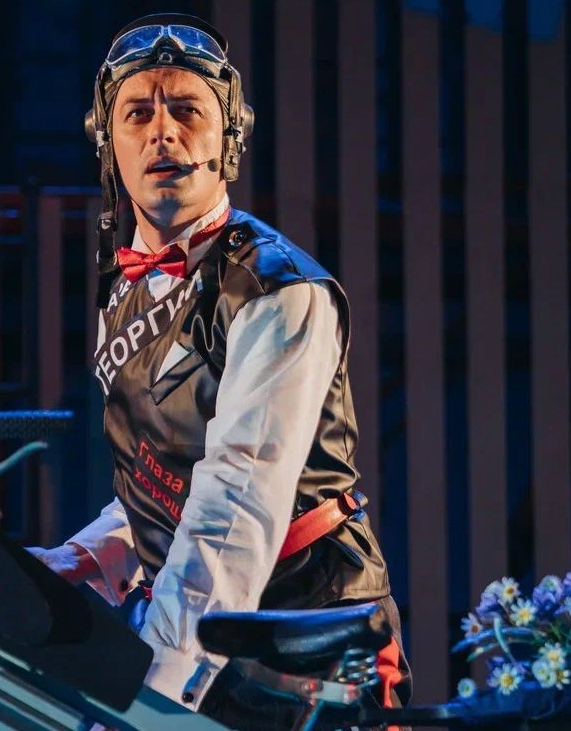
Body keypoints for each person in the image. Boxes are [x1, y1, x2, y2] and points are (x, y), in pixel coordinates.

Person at [28, 13, 411, 729]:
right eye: (137, 113)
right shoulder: (129, 289)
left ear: (228, 138)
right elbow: (169, 479)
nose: (162, 132)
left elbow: (235, 506)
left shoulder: (279, 291)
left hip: (306, 644)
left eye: (187, 110)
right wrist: (80, 559)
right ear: (107, 142)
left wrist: (148, 694)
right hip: (208, 625)